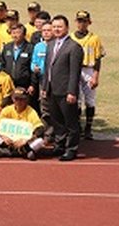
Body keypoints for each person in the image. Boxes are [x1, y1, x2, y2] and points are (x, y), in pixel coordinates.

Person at [42, 15, 83, 161]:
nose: (56, 29)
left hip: (66, 91)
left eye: (60, 27)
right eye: (54, 27)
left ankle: (71, 149)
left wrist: (72, 92)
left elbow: (74, 72)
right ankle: (59, 146)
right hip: (52, 89)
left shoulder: (74, 47)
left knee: (71, 122)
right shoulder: (51, 44)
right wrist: (45, 87)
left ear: (67, 28)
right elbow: (47, 68)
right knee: (57, 121)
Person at [70, 10, 105, 140]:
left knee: (90, 100)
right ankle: (78, 127)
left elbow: (98, 58)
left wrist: (96, 75)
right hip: (75, 70)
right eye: (79, 21)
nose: (81, 24)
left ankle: (88, 128)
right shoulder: (71, 37)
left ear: (89, 22)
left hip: (89, 69)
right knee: (76, 100)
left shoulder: (94, 38)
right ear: (76, 22)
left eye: (84, 21)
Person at [0, 87, 46, 160]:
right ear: (12, 99)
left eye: (22, 99)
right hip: (8, 140)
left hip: (23, 142)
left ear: (26, 100)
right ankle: (23, 152)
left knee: (40, 141)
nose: (19, 102)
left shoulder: (31, 111)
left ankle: (12, 152)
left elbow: (40, 129)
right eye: (16, 99)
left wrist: (25, 140)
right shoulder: (7, 109)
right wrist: (3, 136)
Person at [1, 23, 36, 103]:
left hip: (25, 85)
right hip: (9, 85)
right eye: (13, 33)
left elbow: (33, 68)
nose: (15, 35)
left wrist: (32, 84)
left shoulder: (30, 48)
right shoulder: (7, 47)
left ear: (24, 34)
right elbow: (2, 64)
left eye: (18, 33)